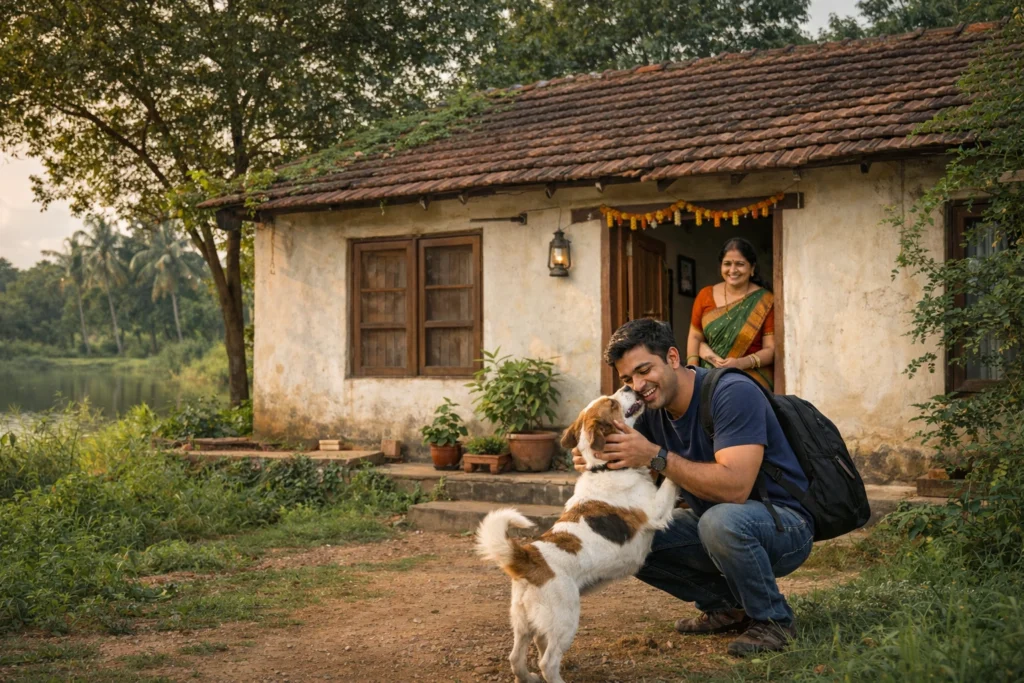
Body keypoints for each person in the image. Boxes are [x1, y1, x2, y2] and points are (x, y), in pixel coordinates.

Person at [573, 318, 813, 656]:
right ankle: (728, 606)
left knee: (722, 521)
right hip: (713, 521)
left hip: (783, 524)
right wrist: (596, 458)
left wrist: (654, 455)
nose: (638, 386)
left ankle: (773, 620)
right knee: (630, 534)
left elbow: (736, 488)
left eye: (645, 371)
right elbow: (637, 468)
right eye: (628, 379)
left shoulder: (731, 392)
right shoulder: (652, 409)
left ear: (673, 357)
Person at [687, 237, 775, 390]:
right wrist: (692, 374)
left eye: (740, 264)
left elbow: (771, 350)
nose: (732, 270)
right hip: (709, 377)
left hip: (750, 379)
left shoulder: (765, 301)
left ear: (752, 268)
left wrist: (739, 364)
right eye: (727, 264)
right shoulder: (705, 295)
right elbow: (695, 337)